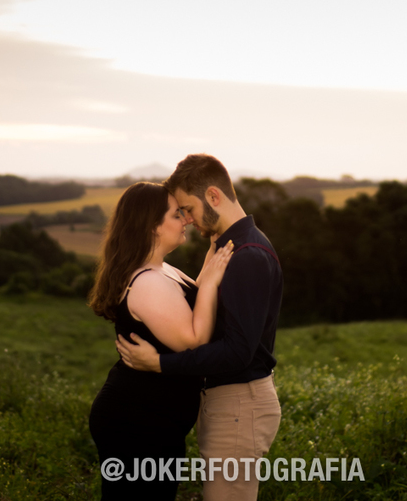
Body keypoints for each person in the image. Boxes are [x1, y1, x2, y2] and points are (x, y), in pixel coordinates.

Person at [117, 154, 284, 501]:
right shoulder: (225, 248)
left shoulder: (248, 256)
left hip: (240, 402)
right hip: (229, 403)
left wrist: (160, 365)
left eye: (188, 208)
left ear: (213, 196)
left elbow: (239, 352)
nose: (187, 219)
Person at [88, 181, 235, 500]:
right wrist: (209, 285)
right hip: (136, 422)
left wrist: (214, 243)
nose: (184, 219)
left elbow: (186, 311)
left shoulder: (162, 270)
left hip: (154, 421)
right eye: (176, 214)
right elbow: (194, 341)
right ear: (152, 226)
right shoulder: (148, 282)